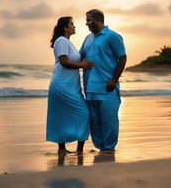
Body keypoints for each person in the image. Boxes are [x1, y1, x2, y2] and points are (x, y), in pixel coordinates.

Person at [80, 9, 127, 152]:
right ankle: (101, 149)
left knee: (109, 121)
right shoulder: (88, 38)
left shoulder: (112, 36)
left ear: (98, 20)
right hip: (89, 88)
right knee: (94, 122)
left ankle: (109, 149)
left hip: (107, 87)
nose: (86, 23)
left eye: (89, 20)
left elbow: (123, 57)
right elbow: (80, 57)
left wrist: (114, 80)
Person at [46, 16, 94, 155]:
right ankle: (63, 149)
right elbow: (64, 61)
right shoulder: (61, 40)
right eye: (72, 24)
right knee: (80, 114)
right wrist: (82, 65)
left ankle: (75, 150)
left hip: (70, 86)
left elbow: (72, 60)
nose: (74, 26)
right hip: (62, 85)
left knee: (80, 114)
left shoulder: (67, 42)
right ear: (65, 27)